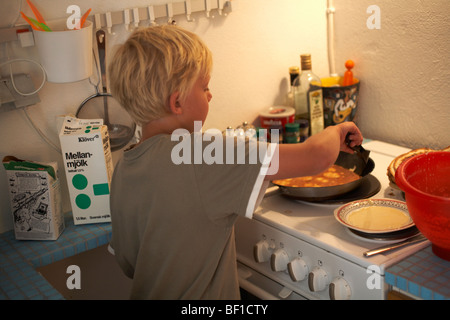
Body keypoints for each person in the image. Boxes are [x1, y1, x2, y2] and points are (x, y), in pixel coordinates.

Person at [107, 24, 363, 300]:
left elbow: (129, 263)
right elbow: (313, 157)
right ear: (177, 101)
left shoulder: (124, 167)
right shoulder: (201, 153)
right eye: (204, 87)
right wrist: (336, 131)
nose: (210, 95)